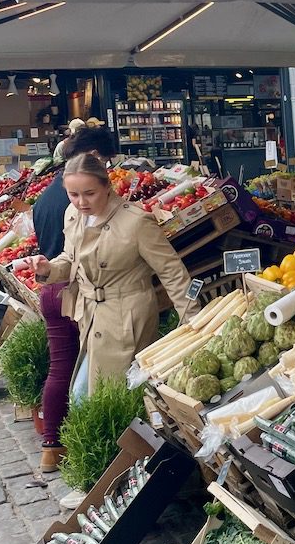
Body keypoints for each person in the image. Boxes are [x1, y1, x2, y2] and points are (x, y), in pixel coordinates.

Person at [23, 153, 197, 406]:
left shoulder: (136, 221)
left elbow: (173, 273)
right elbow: (71, 259)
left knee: (109, 398)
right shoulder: (72, 214)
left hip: (127, 317)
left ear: (107, 185)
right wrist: (48, 269)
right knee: (86, 397)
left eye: (89, 193)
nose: (81, 202)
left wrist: (193, 323)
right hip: (90, 316)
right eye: (73, 194)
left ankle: (128, 444)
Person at [32, 126, 117, 471]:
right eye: (105, 160)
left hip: (48, 287)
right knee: (83, 372)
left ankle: (51, 448)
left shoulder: (43, 199)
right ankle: (90, 450)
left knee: (60, 367)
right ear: (93, 158)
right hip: (73, 292)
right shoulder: (86, 203)